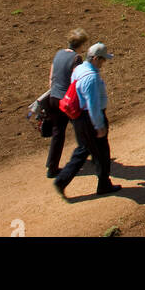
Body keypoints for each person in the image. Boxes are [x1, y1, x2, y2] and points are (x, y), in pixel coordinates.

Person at [54, 42, 121, 198]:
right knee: (103, 152)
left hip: (79, 118)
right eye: (103, 60)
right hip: (90, 118)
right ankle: (103, 184)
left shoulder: (79, 69)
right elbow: (92, 104)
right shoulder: (91, 77)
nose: (104, 63)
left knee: (83, 149)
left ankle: (62, 180)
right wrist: (99, 125)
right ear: (96, 58)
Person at [45, 29, 89, 179]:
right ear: (81, 44)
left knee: (58, 133)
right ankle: (89, 156)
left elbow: (52, 75)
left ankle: (52, 167)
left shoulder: (59, 54)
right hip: (67, 101)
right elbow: (77, 79)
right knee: (83, 128)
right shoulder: (76, 58)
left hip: (53, 98)